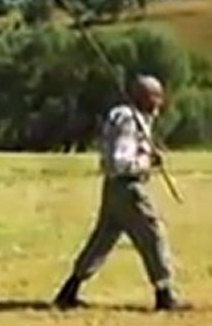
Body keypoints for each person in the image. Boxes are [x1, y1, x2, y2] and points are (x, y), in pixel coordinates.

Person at [53, 74, 190, 312]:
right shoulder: (129, 121)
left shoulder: (124, 117)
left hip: (113, 188)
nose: (160, 102)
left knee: (102, 239)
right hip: (129, 187)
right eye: (156, 96)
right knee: (153, 235)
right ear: (143, 97)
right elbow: (120, 161)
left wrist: (147, 153)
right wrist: (146, 161)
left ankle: (69, 290)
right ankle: (165, 294)